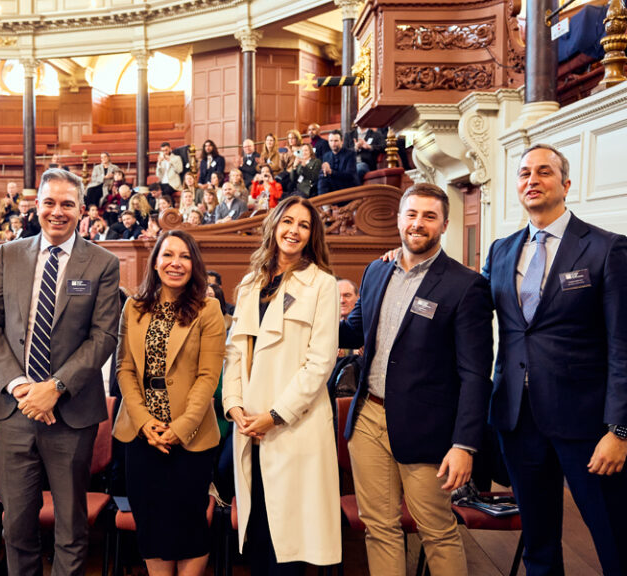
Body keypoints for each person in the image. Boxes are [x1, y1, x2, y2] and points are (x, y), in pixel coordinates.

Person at [482, 144, 627, 576]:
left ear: (565, 184)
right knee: (539, 546)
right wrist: (407, 260)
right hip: (518, 422)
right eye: (524, 173)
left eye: (543, 172)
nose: (532, 179)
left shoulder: (607, 249)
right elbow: (469, 307)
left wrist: (619, 429)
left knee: (614, 540)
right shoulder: (501, 250)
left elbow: (623, 344)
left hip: (587, 427)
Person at [339, 183, 493, 576]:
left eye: (429, 216)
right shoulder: (377, 270)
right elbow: (355, 331)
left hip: (428, 429)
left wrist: (464, 445)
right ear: (398, 219)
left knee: (436, 531)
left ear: (444, 224)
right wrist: (304, 315)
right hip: (369, 419)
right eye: (411, 214)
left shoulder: (466, 285)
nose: (418, 223)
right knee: (379, 529)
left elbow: (476, 374)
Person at [0, 168, 121, 576]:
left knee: (71, 529)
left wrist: (54, 388)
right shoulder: (9, 254)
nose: (58, 212)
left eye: (67, 204)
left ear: (82, 210)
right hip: (14, 411)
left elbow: (104, 335)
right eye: (50, 203)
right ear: (36, 206)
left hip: (71, 417)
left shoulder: (103, 263)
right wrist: (21, 385)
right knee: (16, 524)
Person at [223, 195, 342, 575]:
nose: (293, 230)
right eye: (288, 221)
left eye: (304, 225)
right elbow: (236, 352)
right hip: (248, 425)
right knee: (257, 531)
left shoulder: (322, 285)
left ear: (312, 236)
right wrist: (234, 406)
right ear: (274, 225)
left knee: (288, 540)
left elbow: (320, 362)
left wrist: (275, 415)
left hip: (293, 426)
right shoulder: (249, 284)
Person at [113, 230, 226, 576]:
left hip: (190, 436)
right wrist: (146, 422)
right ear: (155, 261)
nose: (175, 263)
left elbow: (208, 376)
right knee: (150, 524)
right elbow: (124, 368)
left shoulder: (209, 309)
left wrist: (179, 429)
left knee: (190, 526)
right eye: (168, 255)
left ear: (195, 265)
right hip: (140, 434)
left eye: (185, 256)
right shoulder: (134, 306)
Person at [317, 130, 358, 196]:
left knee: (324, 180)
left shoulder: (350, 154)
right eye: (331, 141)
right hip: (333, 186)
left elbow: (350, 176)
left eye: (336, 141)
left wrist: (331, 172)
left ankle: (323, 203)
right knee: (322, 177)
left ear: (342, 141)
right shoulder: (326, 156)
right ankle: (323, 203)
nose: (333, 144)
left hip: (347, 186)